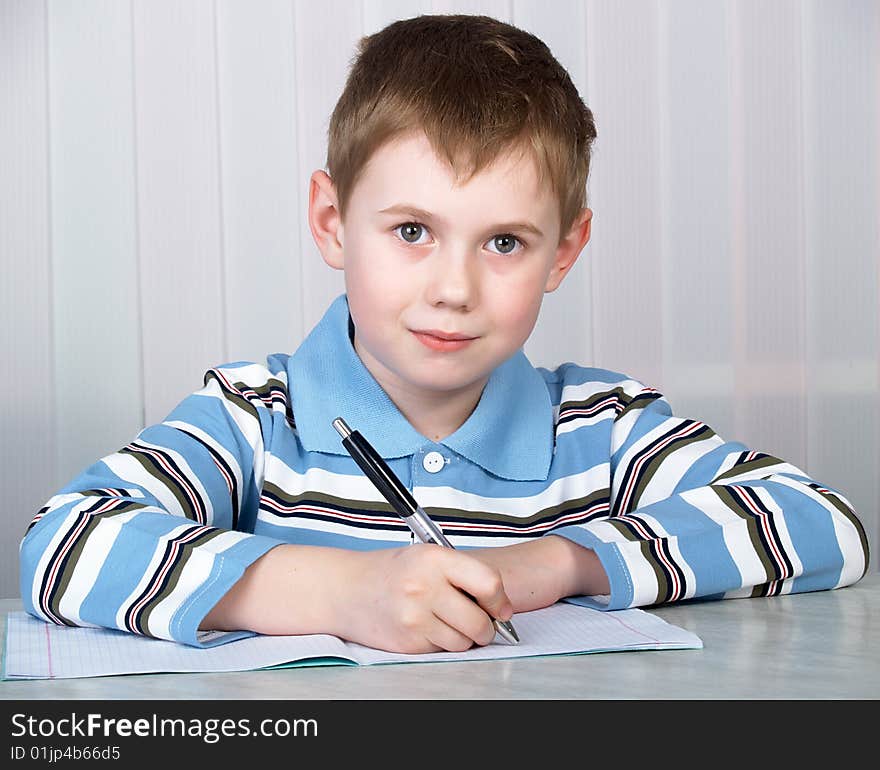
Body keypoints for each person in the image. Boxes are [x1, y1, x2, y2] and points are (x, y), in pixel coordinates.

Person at [20, 14, 869, 655]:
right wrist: (339, 593)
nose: (454, 290)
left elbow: (823, 524)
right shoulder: (253, 417)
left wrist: (562, 563)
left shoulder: (603, 425)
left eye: (504, 242)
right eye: (413, 232)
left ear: (563, 251)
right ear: (331, 220)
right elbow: (59, 548)